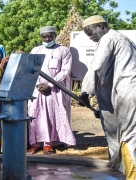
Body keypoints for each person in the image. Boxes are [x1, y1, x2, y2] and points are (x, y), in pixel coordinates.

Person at [79, 15, 136, 178]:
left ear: (101, 26)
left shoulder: (108, 39)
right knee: (125, 133)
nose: (90, 37)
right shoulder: (123, 39)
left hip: (128, 92)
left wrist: (85, 92)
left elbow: (96, 67)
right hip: (125, 92)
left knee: (129, 135)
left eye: (90, 33)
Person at [27, 26, 76, 155]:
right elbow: (31, 69)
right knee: (34, 115)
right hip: (37, 89)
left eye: (50, 36)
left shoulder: (64, 51)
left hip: (54, 90)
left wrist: (49, 84)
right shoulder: (36, 50)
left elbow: (65, 71)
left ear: (55, 36)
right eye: (44, 36)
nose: (47, 38)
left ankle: (48, 144)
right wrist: (38, 85)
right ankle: (35, 143)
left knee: (50, 115)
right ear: (41, 37)